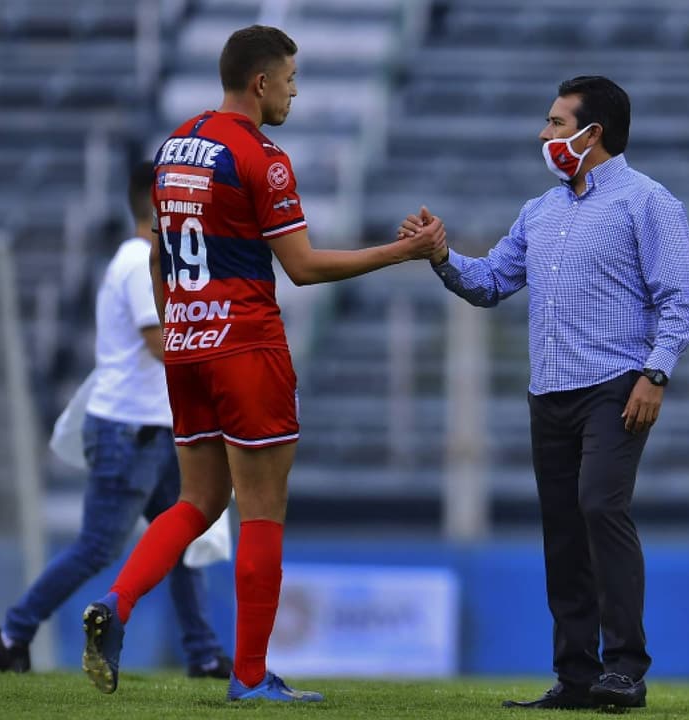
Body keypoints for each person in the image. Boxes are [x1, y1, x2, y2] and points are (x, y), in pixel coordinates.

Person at [78, 25, 445, 702]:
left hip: (185, 345)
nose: (295, 91)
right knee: (263, 511)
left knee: (196, 500)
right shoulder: (260, 156)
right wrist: (400, 253)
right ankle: (249, 678)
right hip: (246, 346)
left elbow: (161, 257)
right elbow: (301, 267)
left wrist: (181, 316)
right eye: (291, 79)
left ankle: (117, 602)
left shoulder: (174, 146)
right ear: (260, 83)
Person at [400, 76, 689, 710]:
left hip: (617, 386)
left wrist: (656, 374)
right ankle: (576, 676)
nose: (545, 134)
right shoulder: (539, 210)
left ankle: (625, 668)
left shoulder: (649, 202)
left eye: (557, 123)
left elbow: (681, 300)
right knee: (563, 531)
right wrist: (441, 253)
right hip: (551, 391)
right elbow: (489, 282)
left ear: (594, 135)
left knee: (600, 508)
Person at [0, 162, 232, 680]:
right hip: (130, 433)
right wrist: (220, 355)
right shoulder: (141, 263)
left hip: (153, 430)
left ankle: (203, 652)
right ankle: (11, 633)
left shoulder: (141, 261)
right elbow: (159, 343)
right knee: (98, 546)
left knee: (183, 538)